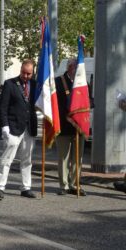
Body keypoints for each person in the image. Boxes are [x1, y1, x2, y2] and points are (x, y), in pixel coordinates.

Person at [0, 59, 38, 200]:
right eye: (24, 73)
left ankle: (26, 187)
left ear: (33, 72)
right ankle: (0, 187)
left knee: (27, 160)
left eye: (29, 74)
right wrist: (4, 125)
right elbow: (3, 107)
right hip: (13, 127)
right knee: (7, 159)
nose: (26, 76)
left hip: (29, 128)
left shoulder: (36, 85)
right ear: (20, 70)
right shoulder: (10, 84)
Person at [54, 59, 87, 196]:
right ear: (70, 68)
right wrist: (68, 115)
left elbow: (88, 100)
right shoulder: (58, 81)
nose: (79, 71)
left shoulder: (83, 83)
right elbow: (54, 103)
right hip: (63, 125)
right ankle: (64, 185)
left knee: (77, 158)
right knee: (64, 157)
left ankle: (75, 184)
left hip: (79, 127)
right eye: (77, 68)